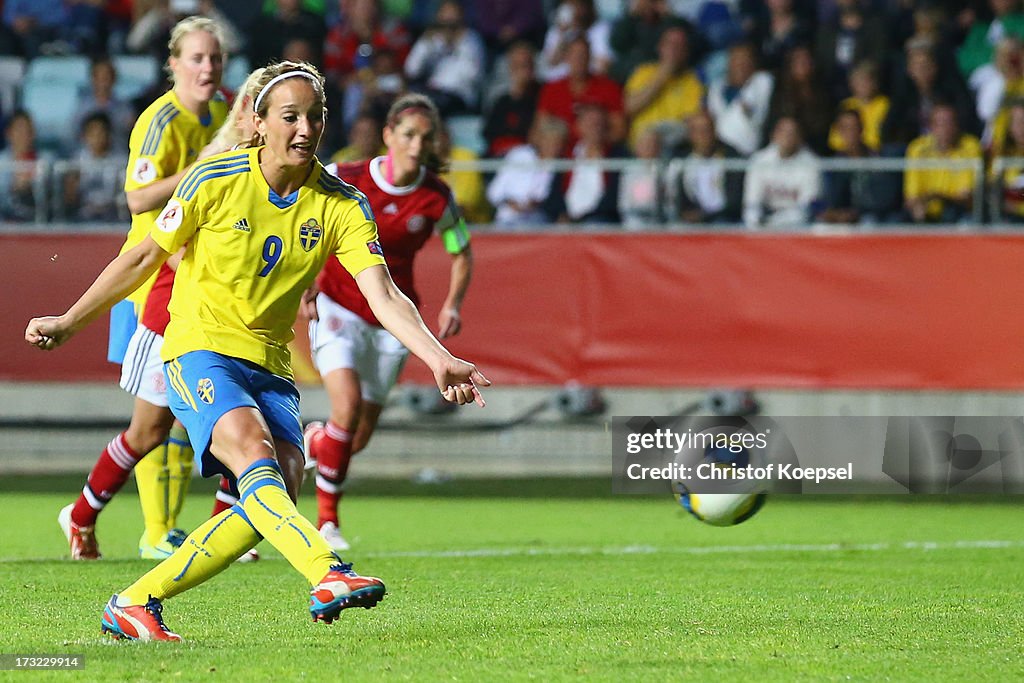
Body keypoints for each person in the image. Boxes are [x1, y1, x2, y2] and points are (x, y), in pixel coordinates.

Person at [26, 60, 489, 641]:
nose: (304, 129)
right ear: (260, 123)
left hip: (270, 369)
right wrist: (71, 319)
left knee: (271, 497)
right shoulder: (214, 179)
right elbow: (144, 256)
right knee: (253, 458)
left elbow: (385, 293)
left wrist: (438, 357)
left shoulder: (342, 204)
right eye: (290, 116)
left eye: (315, 118)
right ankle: (327, 571)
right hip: (199, 349)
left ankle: (135, 601)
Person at [55, 16, 230, 561]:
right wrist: (200, 167)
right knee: (157, 421)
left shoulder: (223, 114)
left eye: (215, 58)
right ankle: (156, 530)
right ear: (173, 63)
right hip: (150, 281)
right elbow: (137, 200)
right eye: (197, 58)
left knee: (183, 417)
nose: (207, 68)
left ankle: (165, 526)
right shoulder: (161, 122)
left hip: (201, 281)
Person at [305, 93, 475, 551]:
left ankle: (316, 441)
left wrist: (454, 303)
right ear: (388, 135)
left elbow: (462, 251)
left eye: (425, 136)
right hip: (339, 303)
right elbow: (304, 221)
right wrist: (305, 281)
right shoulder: (347, 176)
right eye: (408, 134)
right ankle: (327, 523)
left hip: (395, 319)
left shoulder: (436, 196)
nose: (417, 145)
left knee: (354, 438)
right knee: (347, 407)